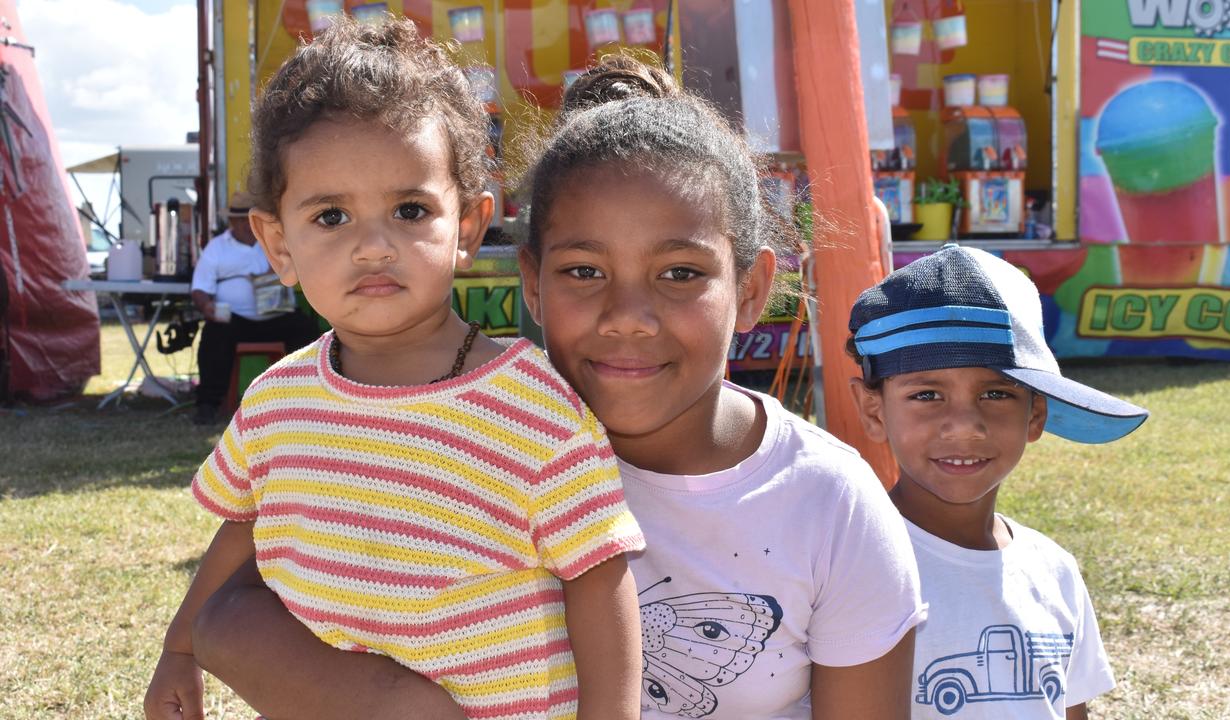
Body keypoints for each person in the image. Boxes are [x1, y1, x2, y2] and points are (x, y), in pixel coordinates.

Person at [186, 54, 926, 720]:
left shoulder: (831, 505)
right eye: (583, 272)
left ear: (753, 287)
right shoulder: (454, 432)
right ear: (532, 284)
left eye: (680, 273)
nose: (628, 319)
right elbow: (234, 615)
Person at [144, 17, 646, 720]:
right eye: (330, 217)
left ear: (467, 228)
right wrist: (178, 651)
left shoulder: (534, 405)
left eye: (410, 210)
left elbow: (599, 578)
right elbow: (241, 525)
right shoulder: (276, 402)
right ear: (276, 243)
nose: (374, 246)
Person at [846, 244, 1149, 719]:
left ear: (1037, 414)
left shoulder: (1055, 571)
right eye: (927, 394)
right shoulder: (849, 566)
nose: (965, 425)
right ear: (873, 410)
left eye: (996, 393)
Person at [190, 191, 319, 425]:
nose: (247, 226)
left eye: (251, 221)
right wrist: (207, 306)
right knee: (213, 334)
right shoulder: (217, 248)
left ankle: (308, 399)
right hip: (235, 319)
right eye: (241, 221)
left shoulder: (277, 242)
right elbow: (200, 288)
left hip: (275, 316)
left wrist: (279, 272)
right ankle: (207, 404)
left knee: (304, 328)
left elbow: (302, 268)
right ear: (232, 222)